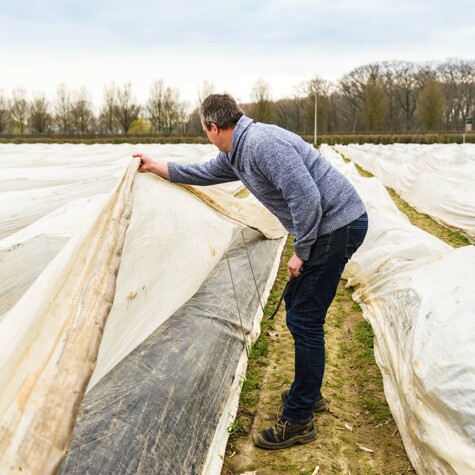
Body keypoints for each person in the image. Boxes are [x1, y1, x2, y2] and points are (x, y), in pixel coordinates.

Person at [133, 93, 368, 450]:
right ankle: (309, 390)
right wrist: (156, 166)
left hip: (336, 225)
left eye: (204, 130)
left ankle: (299, 419)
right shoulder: (239, 151)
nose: (206, 136)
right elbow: (204, 173)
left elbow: (307, 199)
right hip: (331, 226)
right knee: (301, 311)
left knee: (304, 318)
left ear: (213, 127)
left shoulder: (262, 145)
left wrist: (300, 252)